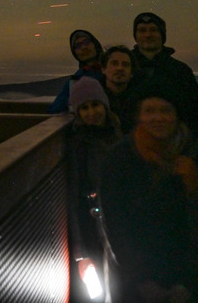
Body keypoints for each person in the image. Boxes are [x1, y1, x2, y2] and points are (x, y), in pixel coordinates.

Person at [99, 86, 198, 302]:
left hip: (186, 276)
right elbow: (115, 222)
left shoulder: (193, 153)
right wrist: (141, 280)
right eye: (149, 111)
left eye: (166, 110)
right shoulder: (119, 158)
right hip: (138, 280)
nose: (158, 118)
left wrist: (189, 281)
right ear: (139, 116)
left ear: (177, 116)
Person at [66, 77, 123, 301]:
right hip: (94, 231)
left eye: (95, 105)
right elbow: (73, 197)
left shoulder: (117, 135)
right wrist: (81, 253)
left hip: (121, 228)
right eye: (85, 108)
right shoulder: (78, 145)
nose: (92, 113)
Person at [131, 12, 198, 138]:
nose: (148, 35)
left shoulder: (180, 71)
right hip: (132, 141)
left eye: (153, 30)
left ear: (162, 35)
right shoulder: (124, 67)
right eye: (142, 30)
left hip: (173, 141)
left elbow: (195, 112)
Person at [48, 30, 105, 114]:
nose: (83, 48)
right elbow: (56, 108)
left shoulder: (111, 71)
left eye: (86, 42)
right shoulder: (77, 79)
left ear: (95, 45)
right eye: (77, 46)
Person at [101, 45, 142, 133]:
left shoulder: (141, 102)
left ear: (132, 72)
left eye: (125, 65)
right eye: (114, 63)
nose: (120, 68)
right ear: (103, 69)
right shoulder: (95, 101)